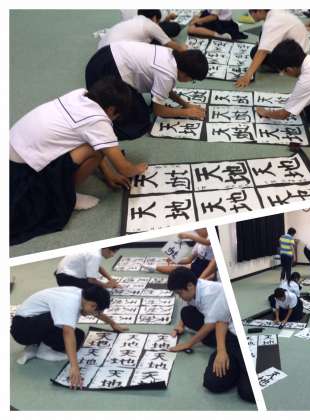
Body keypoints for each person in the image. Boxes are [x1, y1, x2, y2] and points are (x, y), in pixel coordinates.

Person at [10, 77, 148, 245]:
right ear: (111, 110)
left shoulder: (79, 95)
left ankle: (63, 186)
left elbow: (92, 138)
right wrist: (139, 168)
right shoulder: (98, 121)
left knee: (91, 143)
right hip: (23, 172)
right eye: (117, 116)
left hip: (14, 150)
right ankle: (68, 196)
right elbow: (124, 168)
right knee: (93, 149)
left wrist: (108, 174)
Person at [85, 42, 208, 140]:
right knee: (140, 122)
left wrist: (186, 104)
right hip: (104, 70)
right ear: (186, 75)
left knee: (141, 111)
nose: (190, 81)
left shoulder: (172, 55)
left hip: (106, 54)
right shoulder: (167, 74)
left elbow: (165, 89)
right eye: (192, 80)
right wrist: (187, 112)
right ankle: (95, 133)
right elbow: (158, 111)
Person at [10, 286, 128, 388]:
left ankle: (36, 345)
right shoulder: (69, 303)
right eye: (94, 309)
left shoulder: (83, 295)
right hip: (22, 329)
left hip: (34, 322)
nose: (94, 313)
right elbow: (67, 332)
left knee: (79, 336)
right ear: (92, 304)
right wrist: (74, 367)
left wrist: (112, 323)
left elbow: (95, 312)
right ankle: (42, 351)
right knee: (63, 323)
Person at [167, 267, 254, 403]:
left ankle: (240, 369)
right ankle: (235, 366)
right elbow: (220, 321)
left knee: (247, 392)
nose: (179, 297)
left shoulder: (211, 293)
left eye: (179, 293)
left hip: (235, 338)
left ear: (190, 286)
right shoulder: (194, 288)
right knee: (212, 383)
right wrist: (180, 326)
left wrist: (188, 344)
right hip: (226, 334)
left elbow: (211, 324)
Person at [236, 9, 310, 87]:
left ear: (260, 11)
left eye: (251, 13)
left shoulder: (271, 23)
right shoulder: (276, 12)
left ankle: (285, 68)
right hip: (300, 49)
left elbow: (262, 52)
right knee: (262, 36)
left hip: (295, 59)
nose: (250, 16)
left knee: (254, 52)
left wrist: (247, 76)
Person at [143, 229, 216, 280]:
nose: (197, 232)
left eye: (198, 230)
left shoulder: (213, 237)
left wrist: (189, 236)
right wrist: (175, 260)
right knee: (177, 269)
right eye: (196, 231)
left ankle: (202, 280)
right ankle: (154, 267)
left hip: (208, 269)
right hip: (196, 266)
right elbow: (189, 259)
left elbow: (208, 242)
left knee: (209, 277)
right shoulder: (198, 244)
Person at [97, 10, 186, 51]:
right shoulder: (150, 24)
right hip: (114, 54)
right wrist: (186, 47)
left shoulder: (134, 19)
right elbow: (176, 47)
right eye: (157, 22)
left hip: (101, 49)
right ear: (154, 18)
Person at [55, 247, 121, 290]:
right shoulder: (95, 255)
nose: (113, 255)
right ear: (106, 249)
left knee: (96, 284)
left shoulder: (95, 250)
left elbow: (98, 267)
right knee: (97, 290)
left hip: (62, 274)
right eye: (113, 252)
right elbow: (91, 280)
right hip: (67, 279)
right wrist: (106, 285)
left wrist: (111, 279)